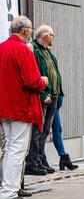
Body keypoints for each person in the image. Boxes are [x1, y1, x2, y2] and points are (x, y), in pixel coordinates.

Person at [0, 16, 48, 199]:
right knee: (17, 150)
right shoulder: (23, 50)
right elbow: (32, 81)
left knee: (10, 148)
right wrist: (43, 81)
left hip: (5, 106)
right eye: (30, 29)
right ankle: (8, 192)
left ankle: (9, 187)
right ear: (26, 31)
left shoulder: (2, 48)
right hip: (21, 107)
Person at [25, 25, 63, 176]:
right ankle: (32, 163)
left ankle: (39, 160)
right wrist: (42, 94)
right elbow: (32, 74)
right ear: (45, 36)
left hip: (53, 96)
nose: (53, 37)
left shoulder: (48, 52)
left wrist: (59, 93)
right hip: (43, 97)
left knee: (45, 131)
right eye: (52, 34)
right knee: (37, 131)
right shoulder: (33, 49)